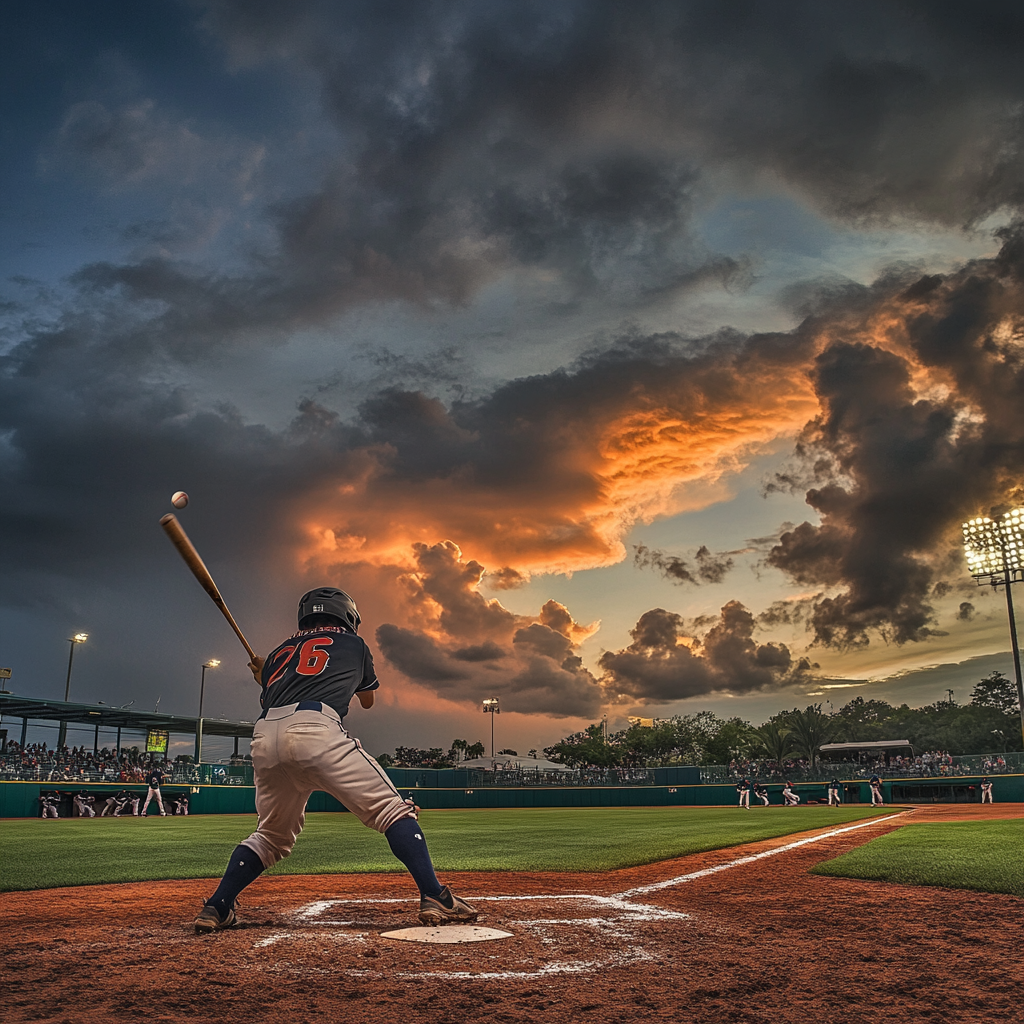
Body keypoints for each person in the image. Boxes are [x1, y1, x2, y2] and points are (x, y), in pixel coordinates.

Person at [193, 587, 478, 935]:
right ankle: (434, 895)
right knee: (394, 811)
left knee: (270, 836)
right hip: (316, 728)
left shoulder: (280, 652)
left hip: (265, 737)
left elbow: (272, 695)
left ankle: (218, 906)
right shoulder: (354, 644)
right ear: (348, 615)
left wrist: (265, 675)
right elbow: (367, 699)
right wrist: (267, 676)